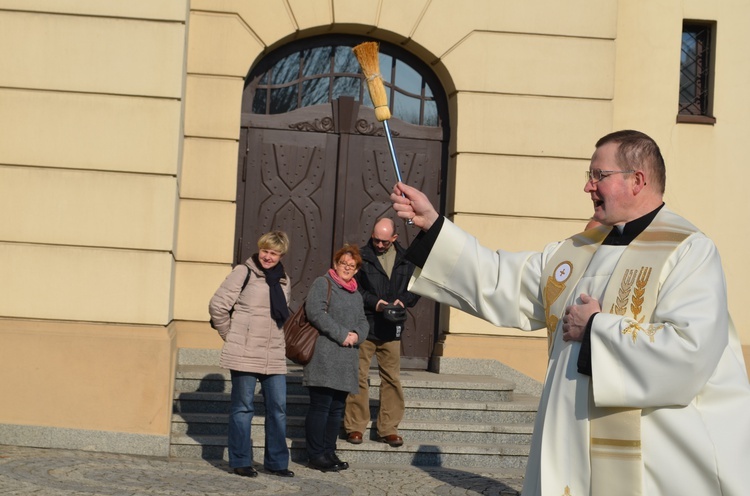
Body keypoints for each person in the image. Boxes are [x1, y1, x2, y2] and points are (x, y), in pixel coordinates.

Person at [390, 130, 750, 495]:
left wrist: (597, 328)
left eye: (599, 176)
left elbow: (690, 349)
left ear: (637, 180)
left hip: (648, 467)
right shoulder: (576, 251)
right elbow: (501, 278)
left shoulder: (689, 251)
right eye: (588, 176)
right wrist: (434, 225)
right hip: (569, 447)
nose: (588, 187)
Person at [208, 231, 294, 478]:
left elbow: (280, 317)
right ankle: (240, 461)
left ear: (281, 255)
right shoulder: (243, 272)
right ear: (260, 249)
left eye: (274, 253)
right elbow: (218, 306)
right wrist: (231, 335)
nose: (268, 257)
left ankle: (277, 463)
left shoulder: (284, 280)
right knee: (243, 408)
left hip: (274, 354)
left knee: (278, 408)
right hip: (245, 352)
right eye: (265, 251)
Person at [344, 217, 420, 447]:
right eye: (376, 240)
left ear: (394, 238)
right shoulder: (361, 256)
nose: (379, 245)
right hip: (365, 324)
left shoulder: (407, 259)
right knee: (357, 376)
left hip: (392, 326)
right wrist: (374, 302)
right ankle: (355, 427)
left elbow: (416, 288)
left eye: (384, 242)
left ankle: (388, 428)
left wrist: (403, 301)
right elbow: (354, 287)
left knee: (391, 379)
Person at [303, 244, 369, 472]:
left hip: (346, 359)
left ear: (357, 269)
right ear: (335, 264)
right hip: (324, 355)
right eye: (344, 264)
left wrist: (358, 335)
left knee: (337, 409)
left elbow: (363, 321)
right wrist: (342, 335)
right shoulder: (323, 283)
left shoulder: (356, 293)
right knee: (321, 407)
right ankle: (315, 455)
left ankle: (329, 452)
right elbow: (315, 312)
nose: (347, 268)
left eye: (352, 266)